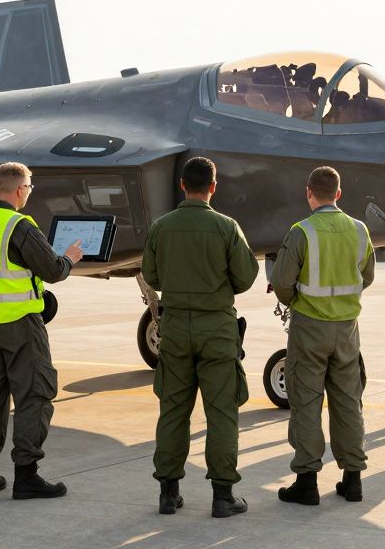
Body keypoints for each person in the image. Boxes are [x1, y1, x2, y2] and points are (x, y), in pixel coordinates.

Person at [142, 157, 257, 518]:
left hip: (175, 329)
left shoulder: (162, 227)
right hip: (217, 330)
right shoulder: (226, 226)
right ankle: (223, 497)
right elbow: (246, 277)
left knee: (173, 410)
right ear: (213, 185)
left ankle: (168, 493)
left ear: (181, 185)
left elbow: (152, 276)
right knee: (221, 412)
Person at [0, 162, 82, 499]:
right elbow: (53, 270)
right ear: (19, 189)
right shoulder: (19, 225)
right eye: (30, 186)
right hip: (21, 324)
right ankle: (26, 476)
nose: (30, 191)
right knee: (34, 395)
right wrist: (71, 257)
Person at [270, 166, 375, 505]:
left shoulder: (302, 231)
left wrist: (300, 300)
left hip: (309, 328)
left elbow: (283, 284)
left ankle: (307, 481)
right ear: (339, 194)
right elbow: (367, 275)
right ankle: (353, 479)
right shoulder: (359, 230)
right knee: (348, 402)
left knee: (306, 403)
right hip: (347, 329)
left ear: (309, 193)